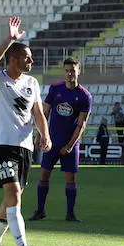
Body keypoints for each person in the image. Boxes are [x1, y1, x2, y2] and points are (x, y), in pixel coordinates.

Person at [0, 17, 51, 246]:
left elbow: (38, 113)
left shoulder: (32, 83)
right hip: (3, 146)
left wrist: (45, 134)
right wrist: (9, 40)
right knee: (16, 197)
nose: (31, 61)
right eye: (27, 57)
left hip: (25, 147)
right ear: (13, 59)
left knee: (11, 198)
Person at [30, 57, 92, 222]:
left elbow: (82, 124)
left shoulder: (85, 96)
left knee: (70, 178)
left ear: (79, 71)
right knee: (44, 174)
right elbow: (44, 114)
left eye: (72, 70)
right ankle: (40, 210)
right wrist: (40, 135)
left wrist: (70, 145)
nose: (69, 73)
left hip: (70, 142)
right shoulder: (55, 89)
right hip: (52, 141)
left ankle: (70, 213)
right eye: (66, 70)